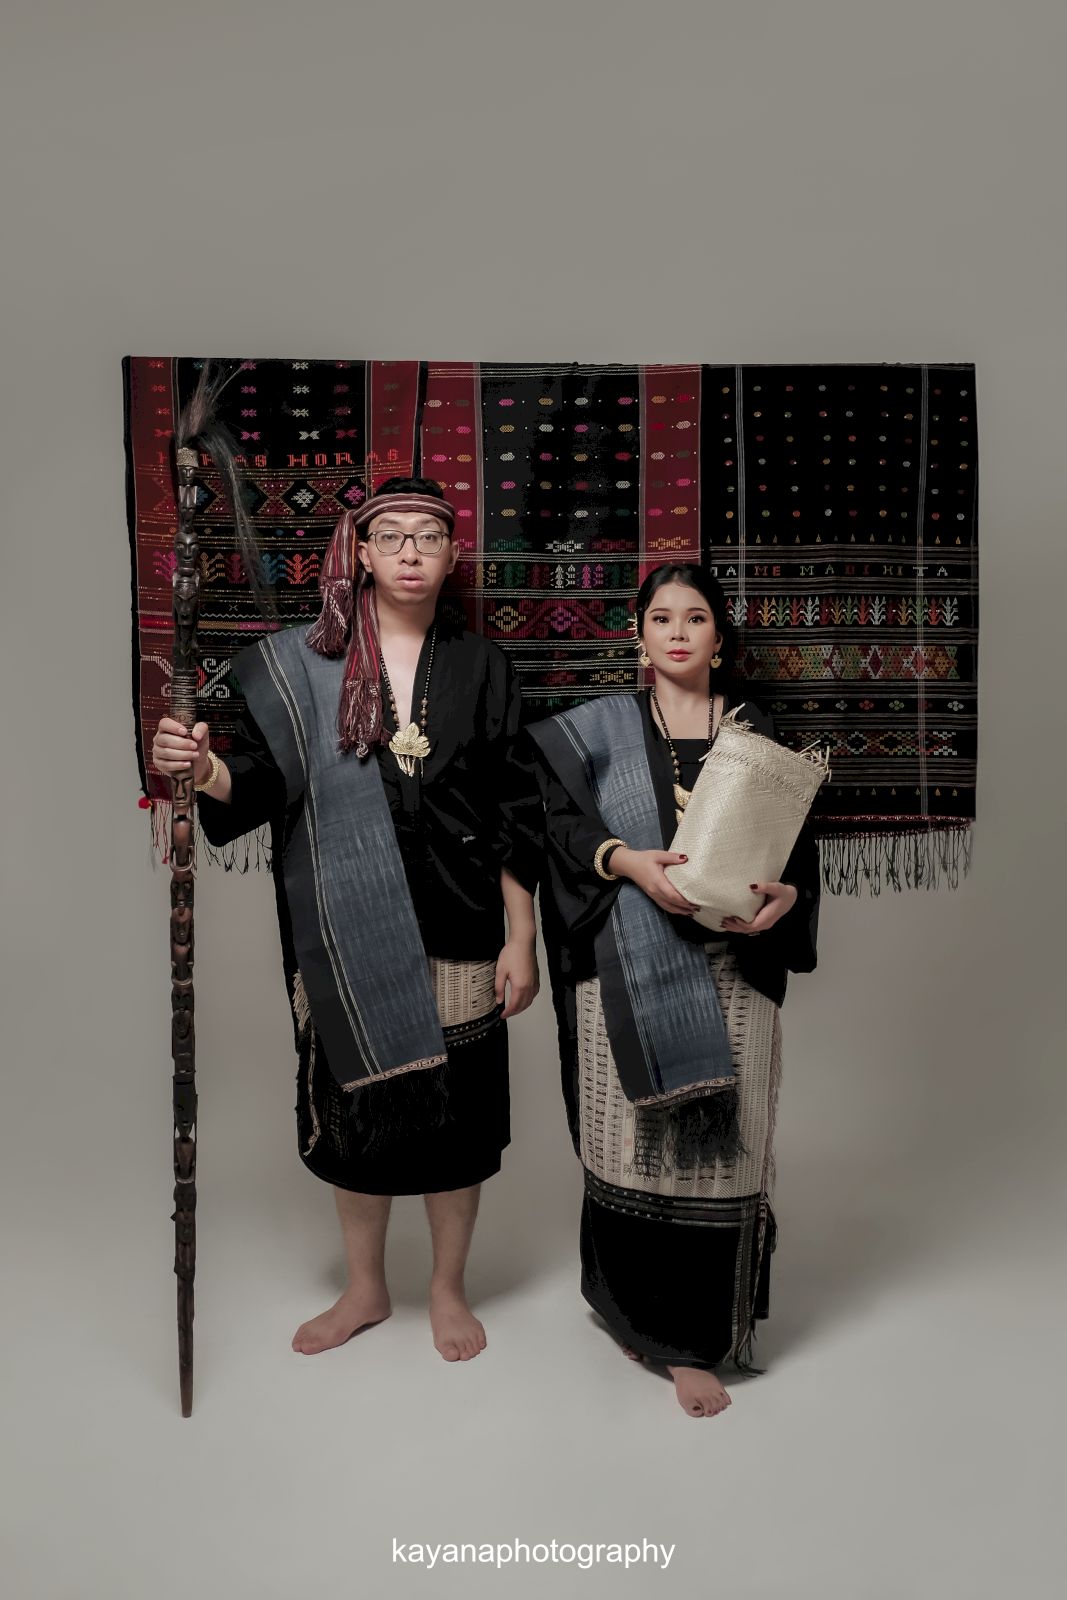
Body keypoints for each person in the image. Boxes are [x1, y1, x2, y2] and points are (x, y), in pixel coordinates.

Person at [152, 478, 542, 1363]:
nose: (409, 552)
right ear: (360, 554)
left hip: (461, 918)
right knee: (354, 1107)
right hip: (340, 918)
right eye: (390, 536)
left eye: (428, 536)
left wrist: (521, 937)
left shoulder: (484, 667)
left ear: (452, 554)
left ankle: (445, 1287)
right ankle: (365, 1286)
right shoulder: (305, 667)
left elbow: (515, 811)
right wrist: (204, 770)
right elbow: (256, 788)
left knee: (458, 1117)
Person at [525, 562, 820, 1418]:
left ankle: (698, 1337)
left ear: (719, 637)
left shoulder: (756, 729)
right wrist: (623, 861)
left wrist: (786, 898)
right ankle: (634, 1318)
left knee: (730, 1149)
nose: (679, 632)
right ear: (639, 634)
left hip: (734, 959)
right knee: (628, 1143)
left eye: (695, 618)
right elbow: (557, 825)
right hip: (624, 955)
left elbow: (795, 843)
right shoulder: (596, 730)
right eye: (661, 618)